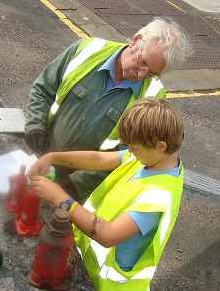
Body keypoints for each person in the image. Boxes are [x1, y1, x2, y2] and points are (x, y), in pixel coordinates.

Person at [27, 97, 185, 291]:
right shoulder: (148, 158)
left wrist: (60, 198)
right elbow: (99, 160)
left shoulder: (158, 196)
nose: (129, 152)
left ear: (161, 145)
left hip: (114, 279)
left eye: (134, 147)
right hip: (92, 258)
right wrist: (53, 156)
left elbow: (109, 235)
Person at [25, 17, 191, 202]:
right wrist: (35, 127)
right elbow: (43, 89)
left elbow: (130, 154)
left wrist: (74, 185)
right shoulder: (86, 51)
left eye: (151, 73)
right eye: (142, 62)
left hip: (78, 190)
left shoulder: (152, 99)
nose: (142, 74)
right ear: (135, 40)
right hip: (41, 158)